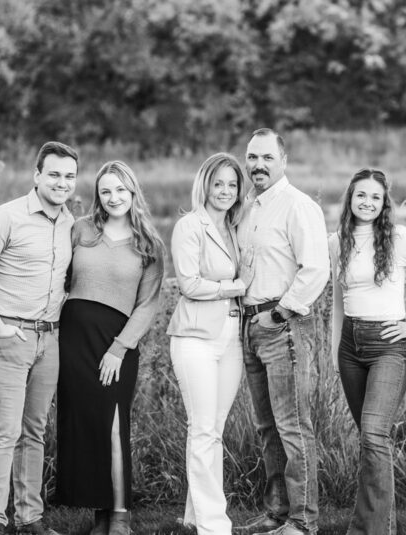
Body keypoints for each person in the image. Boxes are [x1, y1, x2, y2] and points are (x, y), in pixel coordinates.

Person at [0, 141, 78, 535]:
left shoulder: (69, 223)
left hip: (50, 340)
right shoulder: (6, 216)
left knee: (34, 431)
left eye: (69, 176)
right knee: (4, 430)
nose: (62, 183)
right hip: (8, 335)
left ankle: (30, 519)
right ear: (37, 175)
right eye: (55, 174)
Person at [329, 169, 406, 535]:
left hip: (389, 345)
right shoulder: (338, 241)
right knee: (371, 440)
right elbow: (338, 301)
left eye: (375, 197)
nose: (367, 202)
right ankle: (382, 524)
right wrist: (336, 350)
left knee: (373, 433)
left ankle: (372, 530)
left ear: (384, 204)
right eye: (361, 195)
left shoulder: (397, 237)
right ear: (350, 197)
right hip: (351, 344)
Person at [55, 160, 165, 535]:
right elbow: (59, 277)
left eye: (120, 189)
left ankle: (119, 514)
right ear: (98, 196)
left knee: (114, 422)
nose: (113, 197)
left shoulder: (149, 243)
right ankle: (98, 511)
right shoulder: (80, 229)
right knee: (83, 423)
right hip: (73, 339)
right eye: (106, 190)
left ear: (133, 191)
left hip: (115, 344)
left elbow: (147, 304)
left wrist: (119, 349)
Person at [235, 128, 329, 535]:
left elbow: (316, 269)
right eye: (252, 157)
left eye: (267, 158)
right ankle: (276, 513)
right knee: (267, 427)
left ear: (283, 160)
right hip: (250, 327)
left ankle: (303, 520)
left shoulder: (297, 206)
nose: (258, 165)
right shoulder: (249, 208)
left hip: (283, 327)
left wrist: (280, 314)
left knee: (293, 426)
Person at [167, 152, 253, 535]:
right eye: (218, 183)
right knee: (202, 428)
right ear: (205, 184)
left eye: (232, 184)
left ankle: (193, 515)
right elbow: (189, 284)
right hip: (194, 339)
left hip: (230, 338)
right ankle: (215, 526)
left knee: (213, 429)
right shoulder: (190, 226)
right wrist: (235, 287)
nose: (225, 190)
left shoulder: (235, 228)